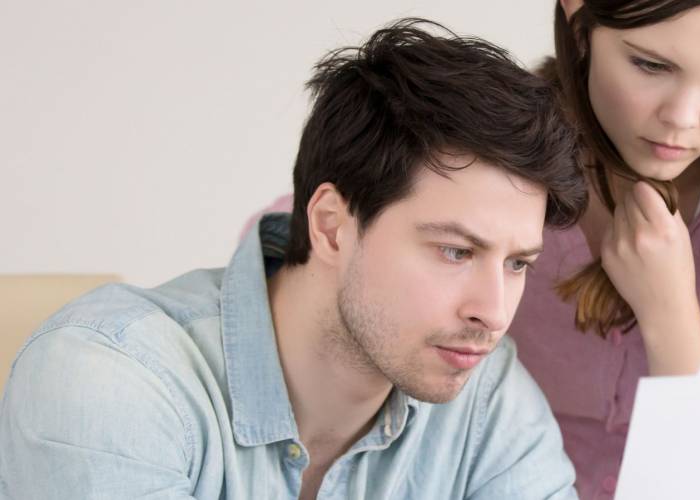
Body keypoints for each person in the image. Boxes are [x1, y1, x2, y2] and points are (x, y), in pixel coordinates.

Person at [241, 1, 700, 498]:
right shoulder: (512, 166)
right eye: (651, 65)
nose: (683, 118)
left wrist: (670, 313)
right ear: (579, 16)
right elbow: (298, 237)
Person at [0, 19, 587, 500]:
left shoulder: (489, 403)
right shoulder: (112, 382)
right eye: (456, 251)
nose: (494, 313)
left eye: (517, 264)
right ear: (332, 226)